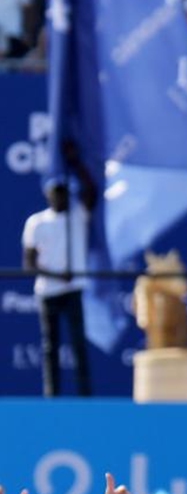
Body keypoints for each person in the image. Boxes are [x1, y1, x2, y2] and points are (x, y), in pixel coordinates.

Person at [22, 141, 97, 397]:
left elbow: (91, 189)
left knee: (78, 345)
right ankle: (51, 397)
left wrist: (74, 162)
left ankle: (85, 398)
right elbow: (29, 264)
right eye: (55, 191)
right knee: (49, 347)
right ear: (47, 194)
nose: (60, 195)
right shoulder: (36, 222)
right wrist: (56, 276)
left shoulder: (77, 215)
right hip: (48, 291)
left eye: (64, 191)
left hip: (73, 289)